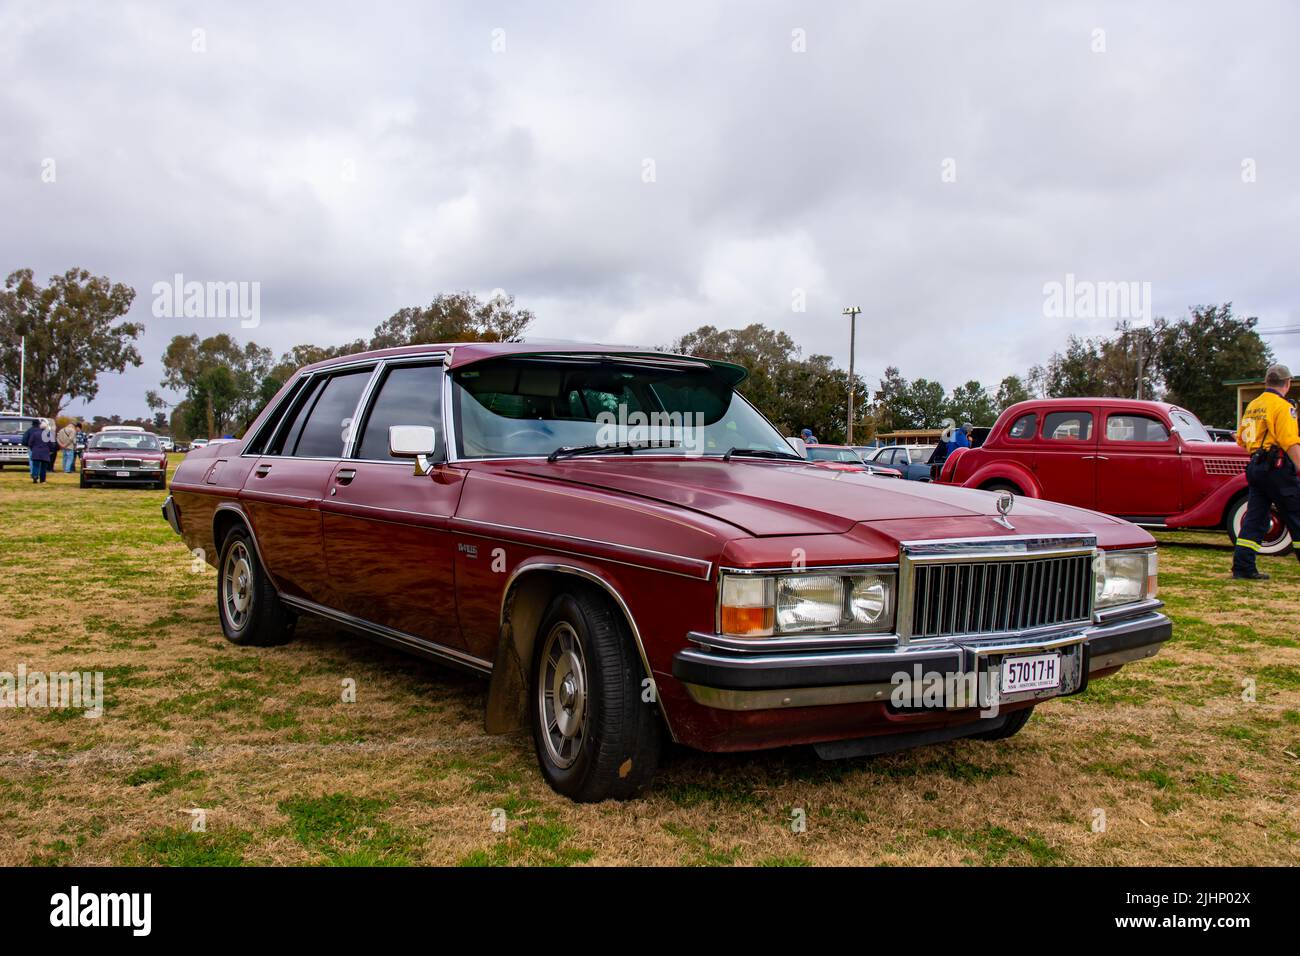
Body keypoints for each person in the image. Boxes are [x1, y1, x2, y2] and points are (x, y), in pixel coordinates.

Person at [1231, 363, 1300, 580]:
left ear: (1266, 382)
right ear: (1287, 383)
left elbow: (1241, 438)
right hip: (1277, 467)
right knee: (1297, 513)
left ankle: (1243, 567)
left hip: (1255, 466)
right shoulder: (1282, 407)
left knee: (1255, 517)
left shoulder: (1254, 405)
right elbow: (1290, 442)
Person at [22, 419, 52, 484]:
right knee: (43, 467)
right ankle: (42, 480)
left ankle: (35, 476)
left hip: (36, 451)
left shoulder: (35, 434)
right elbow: (51, 444)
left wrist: (33, 448)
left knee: (35, 465)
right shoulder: (48, 434)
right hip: (45, 452)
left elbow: (30, 443)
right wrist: (51, 450)